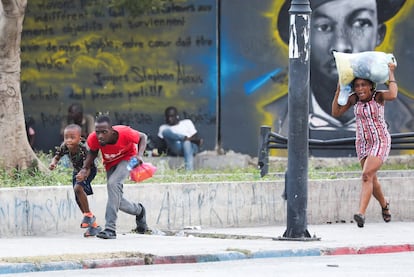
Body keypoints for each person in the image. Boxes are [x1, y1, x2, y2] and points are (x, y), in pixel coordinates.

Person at [267, 0, 413, 156]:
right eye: (324, 27)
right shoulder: (269, 119)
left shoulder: (408, 117)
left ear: (379, 34)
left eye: (360, 23)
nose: (341, 45)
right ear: (304, 37)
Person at [331, 63, 397, 228]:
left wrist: (390, 72)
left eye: (363, 85)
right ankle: (384, 205)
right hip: (362, 143)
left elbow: (394, 94)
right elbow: (336, 112)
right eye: (357, 85)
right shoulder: (354, 98)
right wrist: (339, 91)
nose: (360, 89)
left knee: (366, 175)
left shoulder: (379, 96)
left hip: (380, 140)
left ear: (371, 86)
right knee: (371, 178)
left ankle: (361, 213)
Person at [76, 115, 148, 239]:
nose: (100, 136)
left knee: (113, 183)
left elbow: (143, 137)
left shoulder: (124, 132)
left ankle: (110, 229)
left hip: (129, 159)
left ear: (112, 131)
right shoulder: (93, 138)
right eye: (98, 132)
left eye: (104, 132)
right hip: (110, 163)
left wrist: (140, 155)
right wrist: (84, 169)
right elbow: (92, 153)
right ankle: (139, 211)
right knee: (115, 199)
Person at [49, 124, 102, 237]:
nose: (69, 140)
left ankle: (88, 215)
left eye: (72, 137)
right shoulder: (64, 146)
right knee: (78, 198)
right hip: (77, 171)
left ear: (80, 138)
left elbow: (89, 166)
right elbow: (57, 156)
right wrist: (53, 163)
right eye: (66, 137)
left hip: (89, 170)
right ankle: (94, 226)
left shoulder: (84, 148)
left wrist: (83, 175)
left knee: (78, 188)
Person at [157, 106, 202, 171]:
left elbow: (196, 138)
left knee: (186, 143)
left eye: (172, 116)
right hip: (176, 147)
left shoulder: (187, 123)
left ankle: (189, 171)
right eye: (168, 117)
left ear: (177, 116)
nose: (170, 119)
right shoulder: (163, 127)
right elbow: (161, 145)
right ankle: (182, 137)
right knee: (165, 131)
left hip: (190, 148)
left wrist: (187, 140)